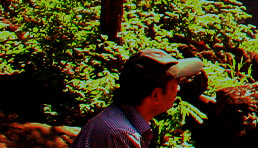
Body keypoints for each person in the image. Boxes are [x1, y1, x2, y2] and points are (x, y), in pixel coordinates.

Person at [74, 49, 205, 148]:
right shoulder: (121, 135)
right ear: (156, 95)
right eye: (175, 83)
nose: (178, 89)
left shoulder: (116, 118)